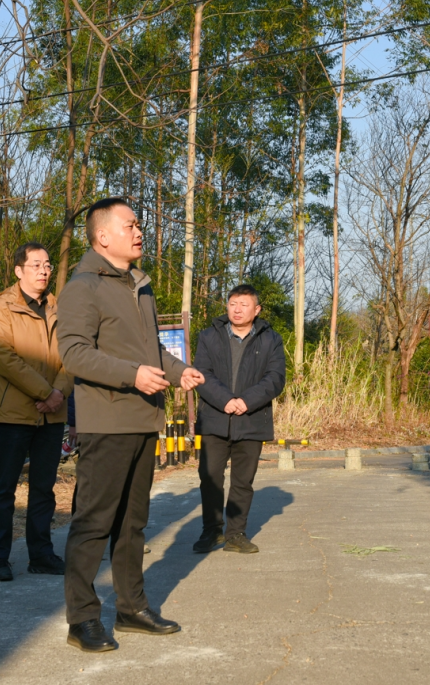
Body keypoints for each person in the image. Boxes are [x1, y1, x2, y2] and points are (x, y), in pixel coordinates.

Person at [57, 197, 206, 653]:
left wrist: (179, 371)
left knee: (132, 524)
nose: (139, 232)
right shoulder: (82, 287)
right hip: (106, 420)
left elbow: (150, 351)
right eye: (130, 225)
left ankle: (131, 608)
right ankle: (82, 618)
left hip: (143, 418)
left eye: (139, 224)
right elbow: (74, 353)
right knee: (94, 523)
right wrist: (133, 375)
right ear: (102, 236)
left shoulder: (139, 285)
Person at [0, 242, 73, 582]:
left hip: (52, 414)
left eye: (47, 265)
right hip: (15, 414)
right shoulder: (1, 307)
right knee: (4, 488)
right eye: (36, 265)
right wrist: (46, 392)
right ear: (19, 270)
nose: (44, 271)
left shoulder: (58, 308)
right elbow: (3, 357)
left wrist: (58, 394)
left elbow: (72, 356)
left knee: (44, 488)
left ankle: (41, 554)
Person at [192, 284, 286, 555]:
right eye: (233, 303)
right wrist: (225, 400)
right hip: (214, 417)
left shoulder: (271, 340)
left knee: (243, 481)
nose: (237, 309)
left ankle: (236, 535)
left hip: (251, 418)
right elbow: (202, 373)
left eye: (244, 305)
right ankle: (211, 531)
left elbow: (275, 378)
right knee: (210, 477)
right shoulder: (209, 336)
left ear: (256, 310)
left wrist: (246, 401)